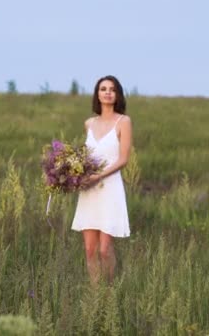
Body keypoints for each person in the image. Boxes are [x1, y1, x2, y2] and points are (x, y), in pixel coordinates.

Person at [72, 75, 132, 285]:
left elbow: (123, 159)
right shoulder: (89, 123)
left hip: (110, 187)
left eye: (112, 89)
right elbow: (87, 157)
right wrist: (75, 174)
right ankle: (96, 294)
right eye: (103, 88)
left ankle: (110, 290)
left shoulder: (123, 122)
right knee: (90, 249)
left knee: (105, 249)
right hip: (89, 189)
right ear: (97, 94)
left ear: (117, 95)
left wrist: (99, 176)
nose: (107, 92)